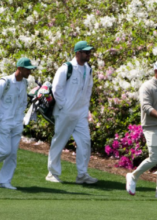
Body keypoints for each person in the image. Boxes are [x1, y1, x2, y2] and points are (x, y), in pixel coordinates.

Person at [0, 57, 37, 190]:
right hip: (3, 122)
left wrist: (20, 118)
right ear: (20, 68)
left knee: (12, 154)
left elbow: (23, 101)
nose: (30, 72)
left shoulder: (24, 83)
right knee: (4, 150)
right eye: (27, 70)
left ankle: (5, 181)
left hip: (16, 123)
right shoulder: (4, 82)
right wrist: (0, 117)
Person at [46, 41, 98, 184]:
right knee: (59, 141)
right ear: (77, 53)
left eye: (89, 52)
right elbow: (57, 89)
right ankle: (52, 173)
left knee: (85, 141)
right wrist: (64, 106)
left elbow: (88, 90)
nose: (89, 54)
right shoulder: (66, 68)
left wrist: (85, 109)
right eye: (86, 52)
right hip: (65, 113)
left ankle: (82, 174)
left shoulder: (88, 69)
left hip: (80, 113)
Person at [126, 59, 157, 198]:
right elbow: (146, 107)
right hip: (151, 127)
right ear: (156, 71)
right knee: (154, 157)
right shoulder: (146, 86)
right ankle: (133, 176)